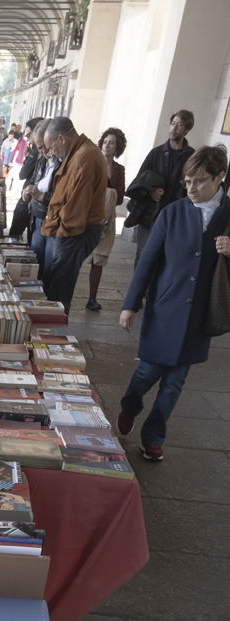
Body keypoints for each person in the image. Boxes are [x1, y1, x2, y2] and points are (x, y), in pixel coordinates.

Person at [117, 145, 230, 461]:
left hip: (199, 316)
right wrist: (130, 305)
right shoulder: (173, 212)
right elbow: (148, 262)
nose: (191, 188)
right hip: (164, 308)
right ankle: (130, 405)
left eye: (199, 181)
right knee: (147, 372)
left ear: (220, 177)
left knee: (175, 383)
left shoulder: (228, 215)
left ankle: (153, 437)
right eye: (187, 181)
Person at [40, 117, 108, 314]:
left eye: (51, 147)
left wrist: (60, 234)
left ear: (61, 138)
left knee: (59, 291)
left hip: (74, 232)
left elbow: (75, 208)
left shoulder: (84, 157)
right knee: (56, 286)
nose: (51, 152)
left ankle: (55, 338)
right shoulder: (80, 152)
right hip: (71, 230)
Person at [127, 110, 194, 267]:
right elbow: (138, 181)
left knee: (166, 256)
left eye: (179, 125)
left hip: (175, 215)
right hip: (150, 213)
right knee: (143, 253)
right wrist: (150, 192)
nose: (174, 128)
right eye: (172, 124)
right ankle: (138, 291)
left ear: (187, 129)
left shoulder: (192, 156)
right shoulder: (156, 153)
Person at [85, 127, 127, 311]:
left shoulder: (119, 169)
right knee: (78, 254)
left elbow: (119, 196)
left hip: (108, 219)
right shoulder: (92, 163)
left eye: (112, 143)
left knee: (99, 259)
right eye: (105, 141)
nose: (107, 145)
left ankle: (92, 298)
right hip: (88, 216)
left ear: (117, 147)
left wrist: (107, 195)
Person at [22, 119, 57, 281]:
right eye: (38, 147)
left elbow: (64, 198)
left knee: (49, 268)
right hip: (37, 218)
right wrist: (28, 192)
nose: (42, 151)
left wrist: (42, 196)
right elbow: (33, 181)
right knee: (35, 264)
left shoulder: (62, 163)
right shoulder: (42, 160)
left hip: (53, 222)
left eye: (43, 146)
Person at [8, 117, 43, 239]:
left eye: (28, 135)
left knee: (17, 234)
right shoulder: (34, 151)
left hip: (31, 199)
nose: (27, 139)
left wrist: (29, 158)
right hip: (32, 198)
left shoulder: (37, 151)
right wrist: (28, 158)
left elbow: (22, 174)